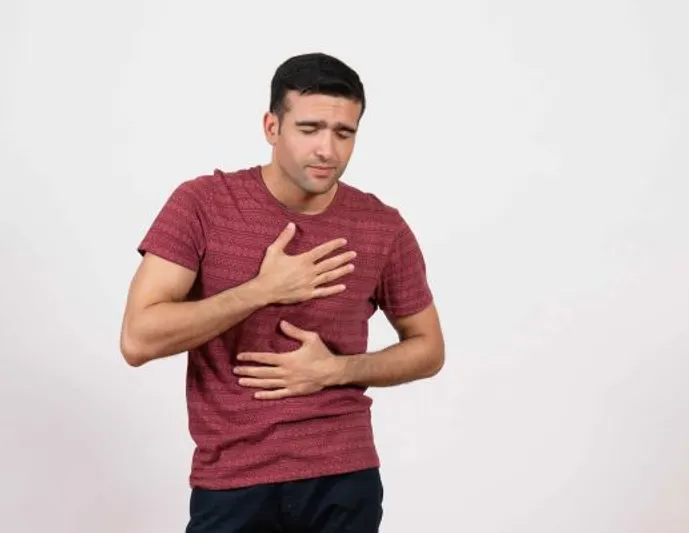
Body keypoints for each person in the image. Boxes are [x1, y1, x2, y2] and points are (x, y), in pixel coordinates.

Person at [119, 52, 445, 533]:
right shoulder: (203, 204)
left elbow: (429, 348)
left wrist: (337, 370)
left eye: (344, 133)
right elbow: (138, 339)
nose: (327, 150)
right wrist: (261, 290)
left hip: (344, 476)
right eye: (309, 129)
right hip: (234, 479)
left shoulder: (382, 226)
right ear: (272, 127)